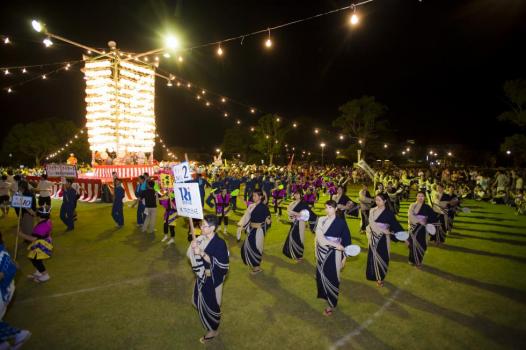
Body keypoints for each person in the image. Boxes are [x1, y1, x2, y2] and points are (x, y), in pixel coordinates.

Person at [187, 214, 229, 344]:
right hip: (201, 277)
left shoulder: (220, 244)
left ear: (212, 228)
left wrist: (202, 253)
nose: (201, 228)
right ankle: (209, 315)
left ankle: (213, 330)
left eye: (204, 226)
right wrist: (193, 248)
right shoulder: (200, 238)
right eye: (201, 225)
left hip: (213, 279)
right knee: (196, 301)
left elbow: (222, 265)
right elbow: (191, 256)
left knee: (212, 306)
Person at [315, 200, 352, 316]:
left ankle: (331, 304)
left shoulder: (341, 222)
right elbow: (320, 238)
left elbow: (347, 241)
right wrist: (337, 245)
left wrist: (344, 258)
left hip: (334, 255)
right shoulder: (321, 219)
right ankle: (325, 294)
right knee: (320, 275)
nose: (327, 210)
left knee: (332, 278)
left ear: (336, 209)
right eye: (326, 207)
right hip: (321, 252)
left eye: (330, 207)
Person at [0, 232, 32, 348]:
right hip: (7, 289)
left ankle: (18, 334)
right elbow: (17, 266)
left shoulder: (1, 254)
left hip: (3, 292)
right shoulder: (3, 251)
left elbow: (2, 274)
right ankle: (3, 343)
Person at [366, 193, 404, 287]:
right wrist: (382, 230)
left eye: (379, 200)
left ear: (385, 201)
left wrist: (403, 236)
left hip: (382, 238)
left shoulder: (389, 213)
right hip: (373, 237)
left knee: (383, 257)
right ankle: (376, 277)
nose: (377, 202)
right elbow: (370, 224)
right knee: (373, 257)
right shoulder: (372, 210)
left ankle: (380, 276)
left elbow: (395, 225)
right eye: (376, 200)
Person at [237, 190, 271, 274]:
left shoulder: (264, 207)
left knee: (256, 248)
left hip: (259, 231)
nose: (253, 197)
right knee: (247, 246)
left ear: (260, 197)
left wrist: (267, 221)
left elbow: (269, 220)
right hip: (252, 230)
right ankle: (255, 265)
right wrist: (242, 226)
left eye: (255, 196)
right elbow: (247, 216)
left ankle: (257, 268)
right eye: (253, 196)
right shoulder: (252, 206)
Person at [17, 206, 53, 283]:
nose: (35, 215)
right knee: (35, 259)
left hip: (41, 245)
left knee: (35, 259)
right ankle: (39, 272)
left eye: (36, 214)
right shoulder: (47, 220)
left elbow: (33, 239)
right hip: (43, 242)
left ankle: (45, 275)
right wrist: (25, 206)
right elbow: (33, 213)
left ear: (39, 216)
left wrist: (21, 234)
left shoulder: (41, 227)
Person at [407, 191, 437, 268]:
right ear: (416, 197)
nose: (420, 198)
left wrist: (427, 222)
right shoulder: (412, 205)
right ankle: (412, 259)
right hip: (414, 228)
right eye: (419, 196)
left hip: (423, 229)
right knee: (413, 245)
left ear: (424, 198)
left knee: (422, 245)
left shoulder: (427, 207)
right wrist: (420, 221)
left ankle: (418, 261)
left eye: (422, 196)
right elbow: (410, 216)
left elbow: (433, 218)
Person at [282, 190, 313, 261]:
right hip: (294, 222)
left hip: (300, 223)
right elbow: (289, 212)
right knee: (292, 237)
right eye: (295, 194)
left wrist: (295, 214)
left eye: (297, 194)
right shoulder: (292, 203)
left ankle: (299, 255)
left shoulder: (304, 203)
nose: (296, 195)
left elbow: (307, 214)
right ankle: (294, 253)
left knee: (299, 238)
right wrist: (292, 216)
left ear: (301, 194)